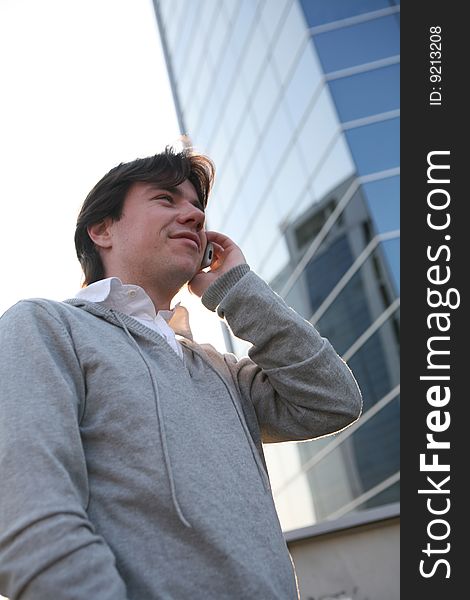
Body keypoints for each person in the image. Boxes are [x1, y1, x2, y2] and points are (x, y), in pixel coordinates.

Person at [0, 147, 362, 600]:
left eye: (197, 206)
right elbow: (28, 511)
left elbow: (332, 401)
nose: (193, 214)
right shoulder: (46, 327)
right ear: (102, 229)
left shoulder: (221, 371)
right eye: (166, 199)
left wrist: (238, 290)